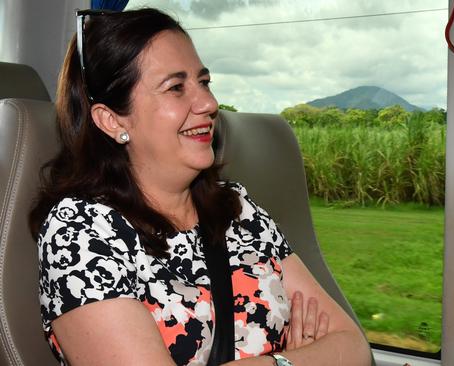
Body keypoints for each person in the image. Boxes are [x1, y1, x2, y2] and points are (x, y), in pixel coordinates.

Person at [28, 8, 371, 366]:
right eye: (176, 88)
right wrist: (290, 359)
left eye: (203, 82)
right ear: (112, 120)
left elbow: (352, 347)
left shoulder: (238, 208)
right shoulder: (81, 233)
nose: (209, 104)